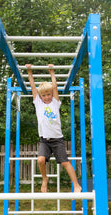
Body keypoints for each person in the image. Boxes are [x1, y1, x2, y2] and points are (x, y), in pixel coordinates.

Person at [26, 63, 82, 194]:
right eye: (44, 95)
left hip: (57, 140)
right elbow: (33, 87)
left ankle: (76, 185)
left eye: (49, 94)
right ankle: (45, 178)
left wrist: (52, 72)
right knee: (40, 160)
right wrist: (29, 72)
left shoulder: (55, 102)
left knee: (65, 163)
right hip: (45, 140)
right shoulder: (38, 103)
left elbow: (55, 87)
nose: (47, 97)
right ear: (40, 96)